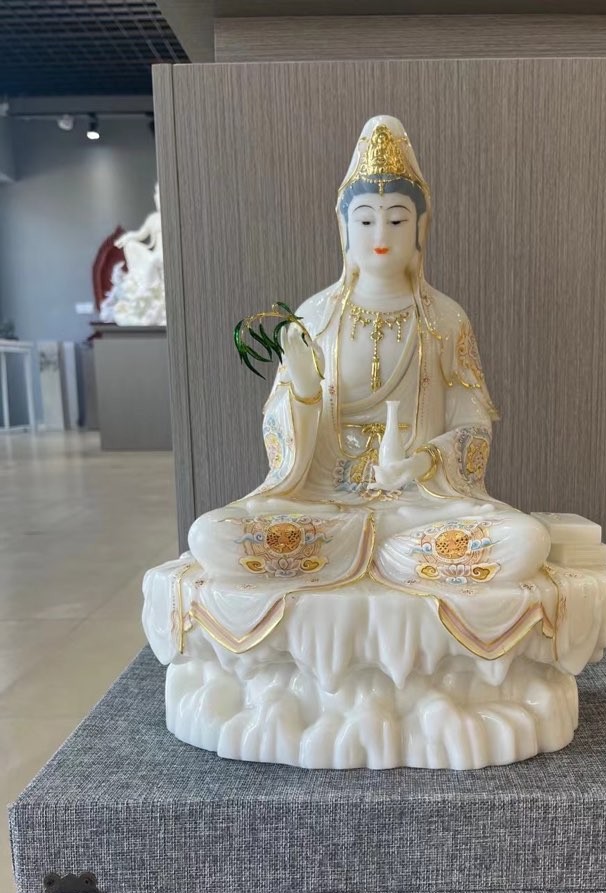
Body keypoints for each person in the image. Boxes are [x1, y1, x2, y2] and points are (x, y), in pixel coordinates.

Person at [186, 115, 551, 653]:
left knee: (526, 540)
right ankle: (381, 561)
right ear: (344, 229)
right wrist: (303, 392)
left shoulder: (445, 320)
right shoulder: (315, 316)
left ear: (421, 228)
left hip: (419, 508)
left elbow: (473, 426)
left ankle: (380, 558)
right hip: (326, 507)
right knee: (210, 535)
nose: (381, 237)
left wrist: (421, 464)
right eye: (365, 221)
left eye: (397, 220)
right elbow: (280, 444)